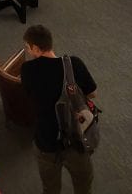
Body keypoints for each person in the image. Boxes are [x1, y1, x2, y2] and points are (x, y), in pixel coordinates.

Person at [20, 24, 97, 194]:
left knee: (50, 188)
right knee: (84, 185)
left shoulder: (27, 70)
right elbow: (92, 93)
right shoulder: (74, 64)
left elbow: (29, 96)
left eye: (27, 47)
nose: (28, 51)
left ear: (36, 48)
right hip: (76, 139)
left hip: (46, 142)